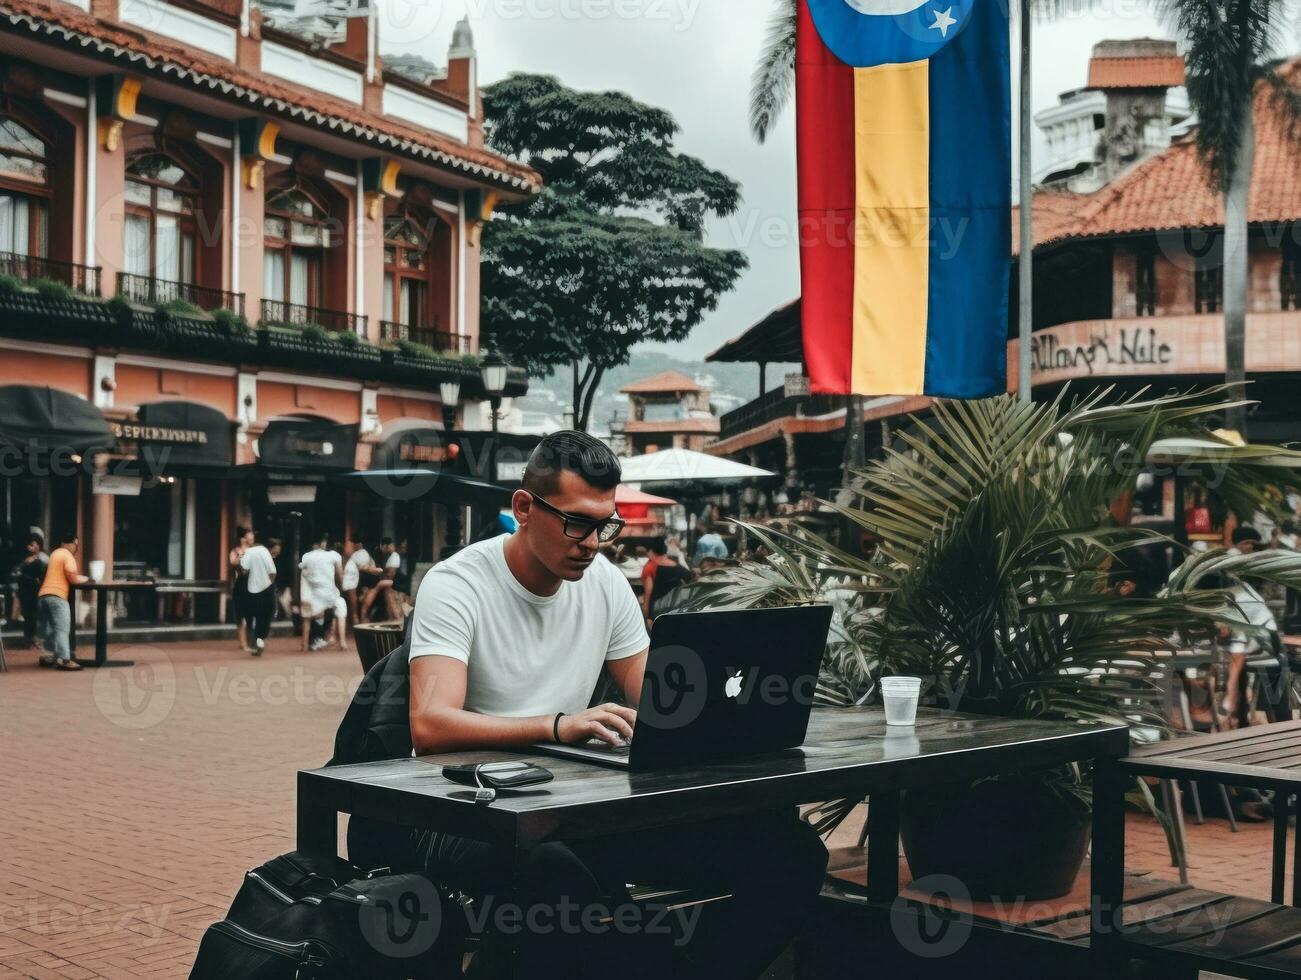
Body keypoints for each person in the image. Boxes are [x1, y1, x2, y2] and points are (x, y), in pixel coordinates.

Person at [405, 430, 826, 979]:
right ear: (524, 508)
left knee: (790, 851)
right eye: (577, 522)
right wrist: (558, 726)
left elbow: (661, 702)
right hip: (475, 816)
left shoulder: (603, 583)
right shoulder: (458, 583)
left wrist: (739, 699)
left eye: (604, 524)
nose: (592, 542)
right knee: (574, 890)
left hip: (579, 813)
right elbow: (430, 725)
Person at [37, 531, 90, 671]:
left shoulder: (54, 554)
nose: (76, 548)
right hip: (57, 596)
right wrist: (86, 579)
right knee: (62, 629)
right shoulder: (67, 555)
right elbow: (72, 578)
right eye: (76, 545)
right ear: (71, 543)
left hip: (43, 596)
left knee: (50, 629)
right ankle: (65, 660)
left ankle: (48, 656)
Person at [299, 533, 343, 651]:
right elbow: (339, 575)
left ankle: (304, 644)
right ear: (323, 542)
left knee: (307, 618)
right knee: (335, 611)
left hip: (309, 592)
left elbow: (304, 574)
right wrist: (341, 587)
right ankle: (331, 638)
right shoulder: (333, 556)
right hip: (328, 592)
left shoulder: (306, 557)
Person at [240, 531, 278, 655]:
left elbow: (244, 570)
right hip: (266, 588)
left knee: (252, 616)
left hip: (252, 589)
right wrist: (269, 583)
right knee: (265, 616)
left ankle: (254, 640)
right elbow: (273, 571)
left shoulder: (248, 552)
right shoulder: (265, 552)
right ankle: (260, 639)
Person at [640, 536, 690, 622]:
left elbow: (648, 593)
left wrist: (645, 616)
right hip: (675, 609)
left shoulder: (650, 567)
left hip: (656, 612)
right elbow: (690, 579)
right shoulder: (677, 566)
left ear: (651, 551)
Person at [15, 531, 48, 647]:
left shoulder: (43, 558)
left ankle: (35, 638)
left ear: (38, 545)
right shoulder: (26, 558)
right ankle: (28, 639)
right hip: (25, 590)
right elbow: (17, 572)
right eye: (29, 545)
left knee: (36, 615)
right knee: (27, 615)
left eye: (32, 545)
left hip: (37, 590)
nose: (30, 547)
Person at [359, 537, 401, 623]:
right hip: (381, 580)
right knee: (374, 589)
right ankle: (366, 615)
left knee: (377, 588)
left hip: (391, 581)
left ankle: (365, 614)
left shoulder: (394, 556)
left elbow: (390, 575)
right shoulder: (383, 555)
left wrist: (379, 575)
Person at [229, 526, 254, 652]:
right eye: (249, 535)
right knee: (240, 615)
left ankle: (250, 641)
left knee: (251, 614)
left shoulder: (254, 551)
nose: (252, 538)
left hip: (253, 584)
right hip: (241, 585)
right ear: (243, 538)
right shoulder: (235, 551)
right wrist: (243, 551)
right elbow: (233, 562)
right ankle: (243, 642)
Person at [341, 535, 372, 636]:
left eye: (352, 544)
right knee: (351, 606)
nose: (351, 546)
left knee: (354, 607)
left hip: (355, 584)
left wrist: (363, 588)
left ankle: (356, 630)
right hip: (351, 583)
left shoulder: (363, 554)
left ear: (358, 544)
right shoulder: (355, 554)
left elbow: (363, 570)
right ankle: (353, 628)